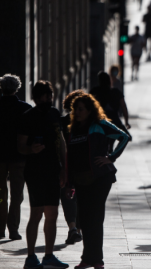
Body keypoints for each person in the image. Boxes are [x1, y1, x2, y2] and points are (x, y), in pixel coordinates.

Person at [64, 94, 130, 269]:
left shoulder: (100, 124)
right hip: (80, 179)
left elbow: (124, 137)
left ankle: (97, 260)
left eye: (80, 109)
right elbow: (70, 158)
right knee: (84, 219)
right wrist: (69, 183)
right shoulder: (73, 129)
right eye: (75, 109)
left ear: (89, 110)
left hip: (100, 178)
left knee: (95, 217)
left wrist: (111, 157)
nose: (76, 112)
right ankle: (87, 258)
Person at [17, 81, 69, 269]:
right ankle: (31, 257)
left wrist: (64, 167)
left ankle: (48, 255)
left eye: (51, 95)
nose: (50, 99)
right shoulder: (28, 117)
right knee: (36, 213)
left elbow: (61, 141)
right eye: (46, 96)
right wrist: (31, 149)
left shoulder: (55, 114)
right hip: (35, 171)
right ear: (37, 98)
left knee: (53, 214)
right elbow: (20, 146)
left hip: (53, 170)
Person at [0, 74, 33, 240]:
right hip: (19, 156)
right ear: (17, 88)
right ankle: (13, 229)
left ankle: (0, 229)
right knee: (17, 194)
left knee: (0, 194)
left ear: (1, 88)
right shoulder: (25, 109)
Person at [60, 90, 86, 245]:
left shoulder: (62, 122)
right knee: (77, 197)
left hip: (68, 165)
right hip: (76, 166)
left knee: (68, 197)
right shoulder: (83, 123)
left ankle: (73, 229)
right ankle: (76, 229)